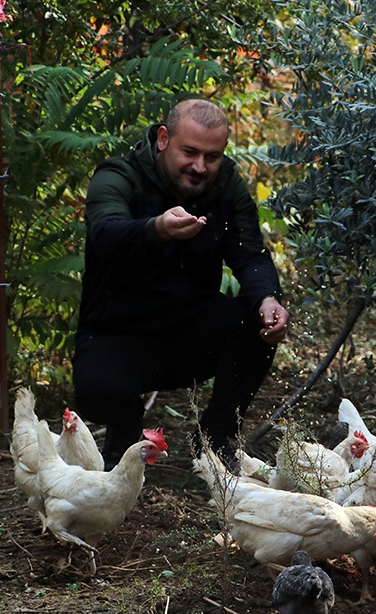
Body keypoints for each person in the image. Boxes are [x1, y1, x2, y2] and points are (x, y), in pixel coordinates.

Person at [73, 98, 289, 469]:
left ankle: (215, 440)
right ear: (162, 139)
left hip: (187, 331)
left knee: (256, 321)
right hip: (118, 331)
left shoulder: (225, 185)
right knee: (96, 392)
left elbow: (248, 250)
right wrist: (156, 229)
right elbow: (106, 234)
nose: (200, 166)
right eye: (189, 152)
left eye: (212, 156)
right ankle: (124, 436)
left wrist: (268, 298)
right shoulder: (117, 176)